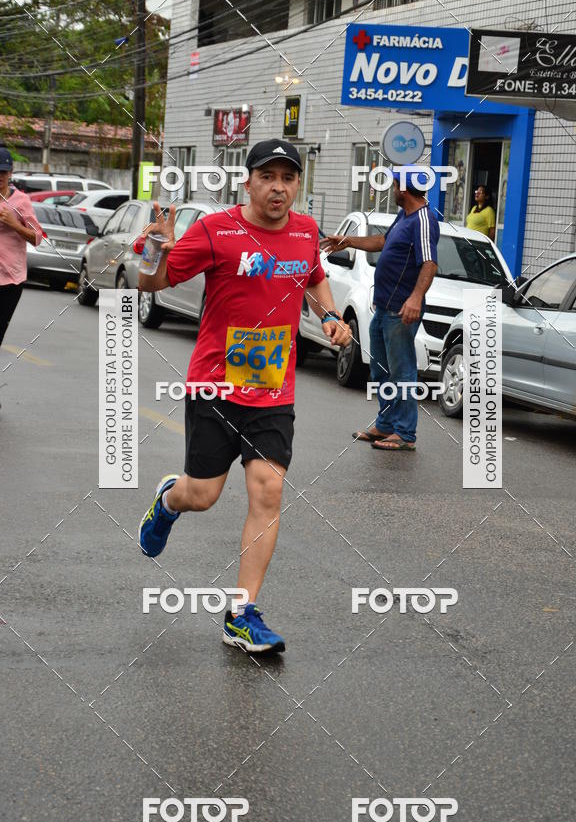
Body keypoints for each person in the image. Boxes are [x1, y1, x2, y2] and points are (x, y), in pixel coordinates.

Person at [137, 139, 351, 654]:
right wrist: (155, 246)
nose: (278, 188)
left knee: (268, 492)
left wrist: (329, 316)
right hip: (215, 385)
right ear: (247, 182)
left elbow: (313, 279)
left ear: (297, 184)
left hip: (273, 390)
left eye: (288, 178)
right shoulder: (216, 230)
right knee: (203, 495)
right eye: (268, 177)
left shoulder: (305, 231)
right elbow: (151, 283)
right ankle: (169, 500)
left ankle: (241, 614)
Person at [323, 168, 438, 451]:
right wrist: (348, 241)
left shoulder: (423, 219)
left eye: (395, 185)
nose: (392, 189)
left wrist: (415, 298)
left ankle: (405, 433)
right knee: (380, 368)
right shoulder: (405, 216)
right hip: (384, 307)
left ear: (404, 189)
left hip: (401, 310)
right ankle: (385, 424)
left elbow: (429, 263)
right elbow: (383, 242)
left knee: (402, 370)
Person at [0, 147, 43, 351]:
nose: (0, 176)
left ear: (10, 173)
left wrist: (14, 224)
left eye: (3, 172)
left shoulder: (21, 201)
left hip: (10, 280)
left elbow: (37, 238)